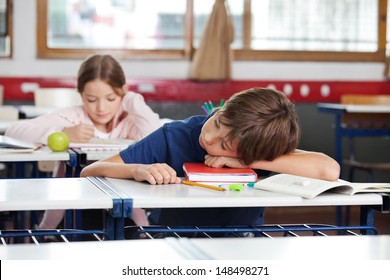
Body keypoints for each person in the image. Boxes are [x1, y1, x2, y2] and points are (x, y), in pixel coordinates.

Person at [80, 87, 340, 231]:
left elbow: (329, 169)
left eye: (225, 144)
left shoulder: (259, 146)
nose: (210, 138)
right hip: (172, 238)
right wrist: (138, 169)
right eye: (217, 122)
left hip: (242, 242)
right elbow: (90, 171)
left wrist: (252, 161)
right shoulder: (177, 135)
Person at [6, 54, 161, 230]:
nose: (101, 108)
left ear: (123, 92)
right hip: (72, 209)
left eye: (111, 98)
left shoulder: (130, 122)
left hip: (123, 209)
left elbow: (155, 137)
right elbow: (14, 131)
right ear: (80, 95)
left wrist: (133, 100)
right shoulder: (74, 118)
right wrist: (64, 132)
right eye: (91, 100)